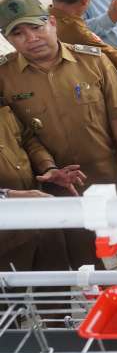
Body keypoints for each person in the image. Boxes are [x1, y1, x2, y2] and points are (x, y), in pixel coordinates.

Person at [0, 0, 117, 271]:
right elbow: (21, 136)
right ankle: (102, 300)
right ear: (7, 38)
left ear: (52, 22)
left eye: (37, 27)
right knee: (83, 256)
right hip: (60, 186)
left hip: (110, 174)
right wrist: (50, 170)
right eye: (18, 33)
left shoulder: (93, 61)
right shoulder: (5, 76)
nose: (31, 38)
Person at [0, 101, 83, 273]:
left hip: (41, 221)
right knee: (11, 295)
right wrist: (10, 196)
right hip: (7, 236)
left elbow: (28, 140)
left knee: (56, 285)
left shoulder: (3, 106)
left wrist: (48, 168)